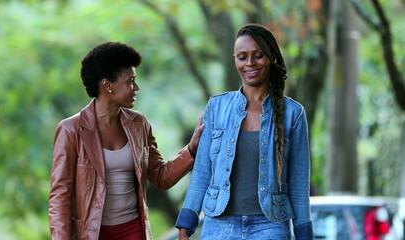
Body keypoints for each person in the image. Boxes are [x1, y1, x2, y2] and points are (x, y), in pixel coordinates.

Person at [48, 41, 204, 240]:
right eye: (130, 81)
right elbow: (60, 196)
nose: (136, 87)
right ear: (107, 85)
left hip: (132, 230)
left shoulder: (138, 124)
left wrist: (191, 150)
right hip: (91, 233)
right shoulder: (71, 129)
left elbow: (161, 177)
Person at [175, 23, 314, 239]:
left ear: (271, 58)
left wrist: (304, 234)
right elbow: (202, 172)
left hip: (270, 225)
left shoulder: (293, 114)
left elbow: (298, 181)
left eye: (258, 55)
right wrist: (185, 226)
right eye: (242, 57)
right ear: (235, 60)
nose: (250, 63)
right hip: (218, 225)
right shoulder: (216, 107)